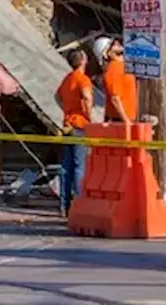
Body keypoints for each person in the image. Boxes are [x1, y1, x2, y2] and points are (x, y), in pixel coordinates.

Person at [54, 48, 93, 216]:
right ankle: (79, 202)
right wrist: (87, 113)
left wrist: (66, 110)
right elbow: (86, 96)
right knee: (79, 166)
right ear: (83, 60)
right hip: (79, 125)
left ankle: (64, 205)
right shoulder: (82, 78)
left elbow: (57, 96)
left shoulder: (67, 79)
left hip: (67, 124)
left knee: (66, 167)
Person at [94, 36, 137, 123]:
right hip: (119, 122)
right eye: (112, 44)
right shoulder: (114, 68)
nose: (117, 43)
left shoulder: (121, 66)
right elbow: (115, 98)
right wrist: (127, 122)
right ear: (107, 53)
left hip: (124, 120)